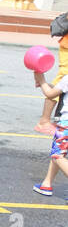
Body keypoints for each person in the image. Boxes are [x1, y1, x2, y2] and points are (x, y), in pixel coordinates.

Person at [30, 67, 68, 196]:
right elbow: (59, 91)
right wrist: (45, 84)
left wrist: (41, 80)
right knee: (58, 152)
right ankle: (47, 183)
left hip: (66, 125)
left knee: (58, 155)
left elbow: (50, 94)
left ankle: (47, 184)